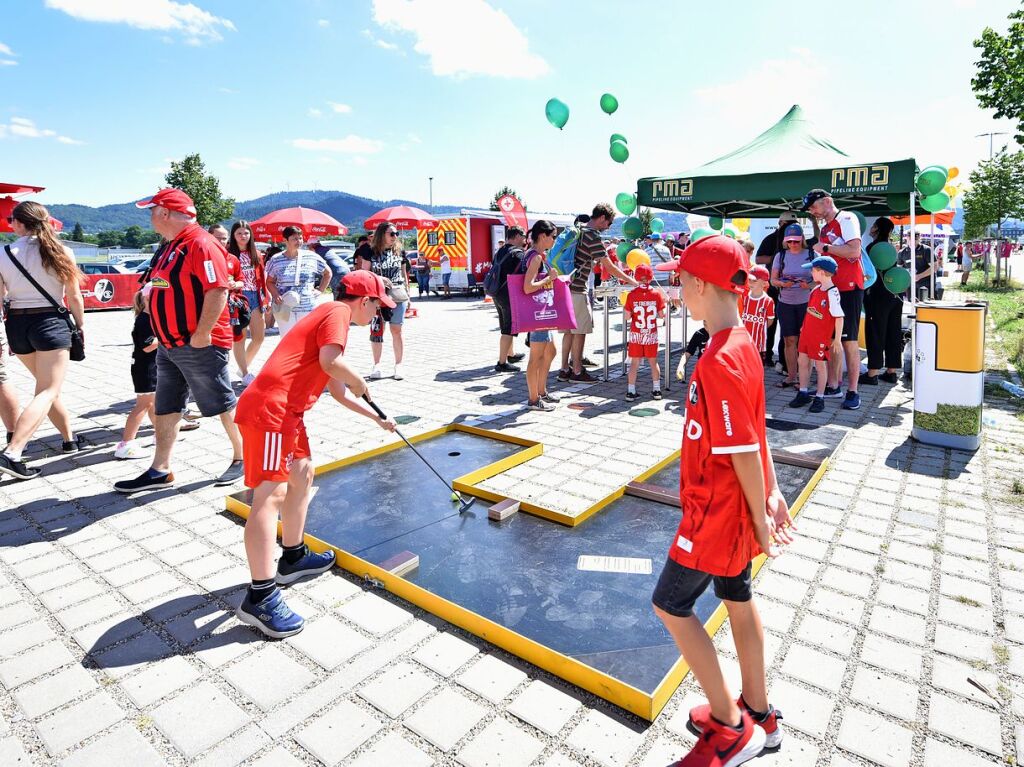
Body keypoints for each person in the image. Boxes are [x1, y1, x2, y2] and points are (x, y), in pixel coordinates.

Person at [653, 233, 792, 767]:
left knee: (670, 604)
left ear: (701, 285)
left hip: (715, 511)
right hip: (730, 507)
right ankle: (759, 713)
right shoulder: (741, 344)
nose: (677, 292)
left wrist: (759, 515)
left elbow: (742, 449)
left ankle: (730, 729)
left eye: (680, 283)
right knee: (737, 596)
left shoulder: (718, 361)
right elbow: (756, 433)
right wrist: (772, 493)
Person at [233, 271, 397, 638]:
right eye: (377, 308)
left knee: (303, 475)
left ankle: (292, 557)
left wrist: (378, 419)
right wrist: (359, 379)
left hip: (289, 414)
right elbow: (334, 367)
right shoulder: (336, 311)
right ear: (364, 300)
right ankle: (259, 596)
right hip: (271, 412)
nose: (378, 316)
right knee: (270, 494)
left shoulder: (330, 325)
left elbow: (337, 390)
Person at [114, 188, 244, 492]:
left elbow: (218, 290)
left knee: (222, 403)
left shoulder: (200, 243)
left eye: (151, 211)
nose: (150, 217)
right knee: (167, 406)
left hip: (196, 344)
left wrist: (202, 335)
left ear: (164, 212)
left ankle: (244, 457)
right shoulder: (173, 245)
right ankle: (160, 470)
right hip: (171, 344)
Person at [0, 201, 86, 480]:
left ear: (20, 223)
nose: (10, 223)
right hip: (50, 322)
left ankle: (68, 439)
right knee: (47, 390)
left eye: (12, 219)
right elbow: (73, 296)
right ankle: (13, 452)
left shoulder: (3, 253)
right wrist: (80, 326)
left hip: (16, 324)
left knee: (47, 387)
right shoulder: (64, 251)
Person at [558, 204, 637, 383]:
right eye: (608, 223)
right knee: (580, 331)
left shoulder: (578, 230)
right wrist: (632, 281)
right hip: (578, 288)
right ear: (602, 218)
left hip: (565, 287)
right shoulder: (592, 236)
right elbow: (608, 265)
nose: (608, 227)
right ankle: (577, 371)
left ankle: (564, 369)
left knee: (568, 332)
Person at [803, 189, 863, 410]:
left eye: (814, 207)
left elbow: (854, 251)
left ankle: (853, 391)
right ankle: (833, 385)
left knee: (849, 341)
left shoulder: (847, 218)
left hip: (849, 288)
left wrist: (825, 248)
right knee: (831, 340)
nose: (813, 212)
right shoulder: (826, 227)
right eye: (810, 209)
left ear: (827, 201)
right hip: (831, 288)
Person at [787, 257, 845, 414]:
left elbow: (839, 317)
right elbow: (810, 311)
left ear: (822, 272)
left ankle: (820, 397)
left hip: (821, 336)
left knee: (820, 365)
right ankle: (803, 392)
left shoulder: (832, 292)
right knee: (803, 361)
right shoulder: (815, 290)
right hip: (807, 334)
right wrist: (803, 327)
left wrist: (838, 339)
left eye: (813, 270)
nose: (810, 272)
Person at [359, 223, 409, 380]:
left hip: (398, 295)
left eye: (396, 234)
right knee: (377, 331)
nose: (395, 237)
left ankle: (399, 365)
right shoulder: (370, 251)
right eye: (392, 234)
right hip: (377, 297)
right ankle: (377, 364)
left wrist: (409, 293)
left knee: (397, 330)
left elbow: (404, 273)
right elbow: (364, 274)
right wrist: (378, 279)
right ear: (382, 234)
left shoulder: (399, 250)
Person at [114, 289, 160, 460]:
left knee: (154, 404)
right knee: (143, 405)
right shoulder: (144, 320)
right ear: (148, 299)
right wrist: (166, 336)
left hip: (149, 367)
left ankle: (160, 434)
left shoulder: (148, 317)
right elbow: (147, 346)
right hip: (146, 369)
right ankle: (126, 444)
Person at [520, 220, 560, 410]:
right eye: (553, 236)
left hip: (542, 313)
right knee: (535, 358)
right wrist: (548, 279)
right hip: (538, 315)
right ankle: (533, 399)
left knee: (550, 351)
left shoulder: (536, 256)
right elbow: (527, 287)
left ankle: (541, 391)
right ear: (543, 236)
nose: (554, 240)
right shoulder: (535, 257)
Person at [266, 227, 331, 338]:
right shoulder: (276, 259)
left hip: (307, 306)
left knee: (306, 340)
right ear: (285, 240)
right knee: (287, 340)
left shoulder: (312, 256)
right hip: (285, 307)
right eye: (295, 239)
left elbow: (328, 273)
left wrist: (320, 290)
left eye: (300, 238)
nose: (299, 241)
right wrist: (275, 294)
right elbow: (270, 282)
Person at [770, 224, 813, 388]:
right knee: (789, 340)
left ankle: (804, 378)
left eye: (796, 241)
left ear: (802, 239)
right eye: (790, 241)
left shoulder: (811, 254)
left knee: (805, 341)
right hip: (786, 302)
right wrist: (782, 283)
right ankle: (791, 376)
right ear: (785, 241)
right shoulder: (780, 256)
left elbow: (820, 279)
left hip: (806, 303)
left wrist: (808, 285)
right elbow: (772, 280)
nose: (793, 244)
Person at [755, 211, 800, 368]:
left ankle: (784, 361)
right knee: (771, 323)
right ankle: (767, 355)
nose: (791, 228)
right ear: (780, 224)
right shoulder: (771, 238)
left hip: (793, 289)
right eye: (787, 224)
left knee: (789, 327)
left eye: (794, 225)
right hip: (773, 287)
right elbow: (758, 258)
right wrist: (777, 258)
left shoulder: (796, 240)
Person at [861, 217, 902, 386]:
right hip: (896, 294)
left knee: (876, 332)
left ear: (877, 228)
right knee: (894, 332)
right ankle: (892, 371)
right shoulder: (891, 248)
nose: (870, 229)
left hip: (878, 295)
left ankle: (872, 373)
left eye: (873, 226)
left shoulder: (872, 247)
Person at [228, 221, 268, 385]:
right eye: (239, 233)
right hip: (238, 298)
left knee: (259, 337)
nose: (243, 236)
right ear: (233, 235)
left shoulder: (256, 254)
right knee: (240, 337)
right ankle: (245, 373)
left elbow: (262, 279)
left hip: (256, 297)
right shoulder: (228, 254)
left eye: (246, 233)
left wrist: (266, 299)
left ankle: (242, 366)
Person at [624, 262, 665, 402]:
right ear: (650, 278)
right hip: (651, 334)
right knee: (653, 362)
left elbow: (627, 317)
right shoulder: (656, 294)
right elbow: (661, 315)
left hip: (636, 334)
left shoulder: (632, 295)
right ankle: (656, 389)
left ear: (636, 277)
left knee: (634, 363)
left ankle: (631, 391)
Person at [491, 227, 528, 374]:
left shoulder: (500, 250)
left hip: (497, 292)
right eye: (524, 236)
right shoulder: (517, 254)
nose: (525, 240)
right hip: (509, 295)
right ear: (517, 236)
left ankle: (510, 354)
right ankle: (502, 362)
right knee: (508, 328)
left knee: (506, 326)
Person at [741, 265, 776, 364]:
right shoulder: (744, 296)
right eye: (749, 279)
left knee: (755, 368)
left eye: (754, 280)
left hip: (758, 345)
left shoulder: (768, 301)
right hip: (742, 342)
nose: (750, 283)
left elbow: (769, 321)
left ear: (764, 283)